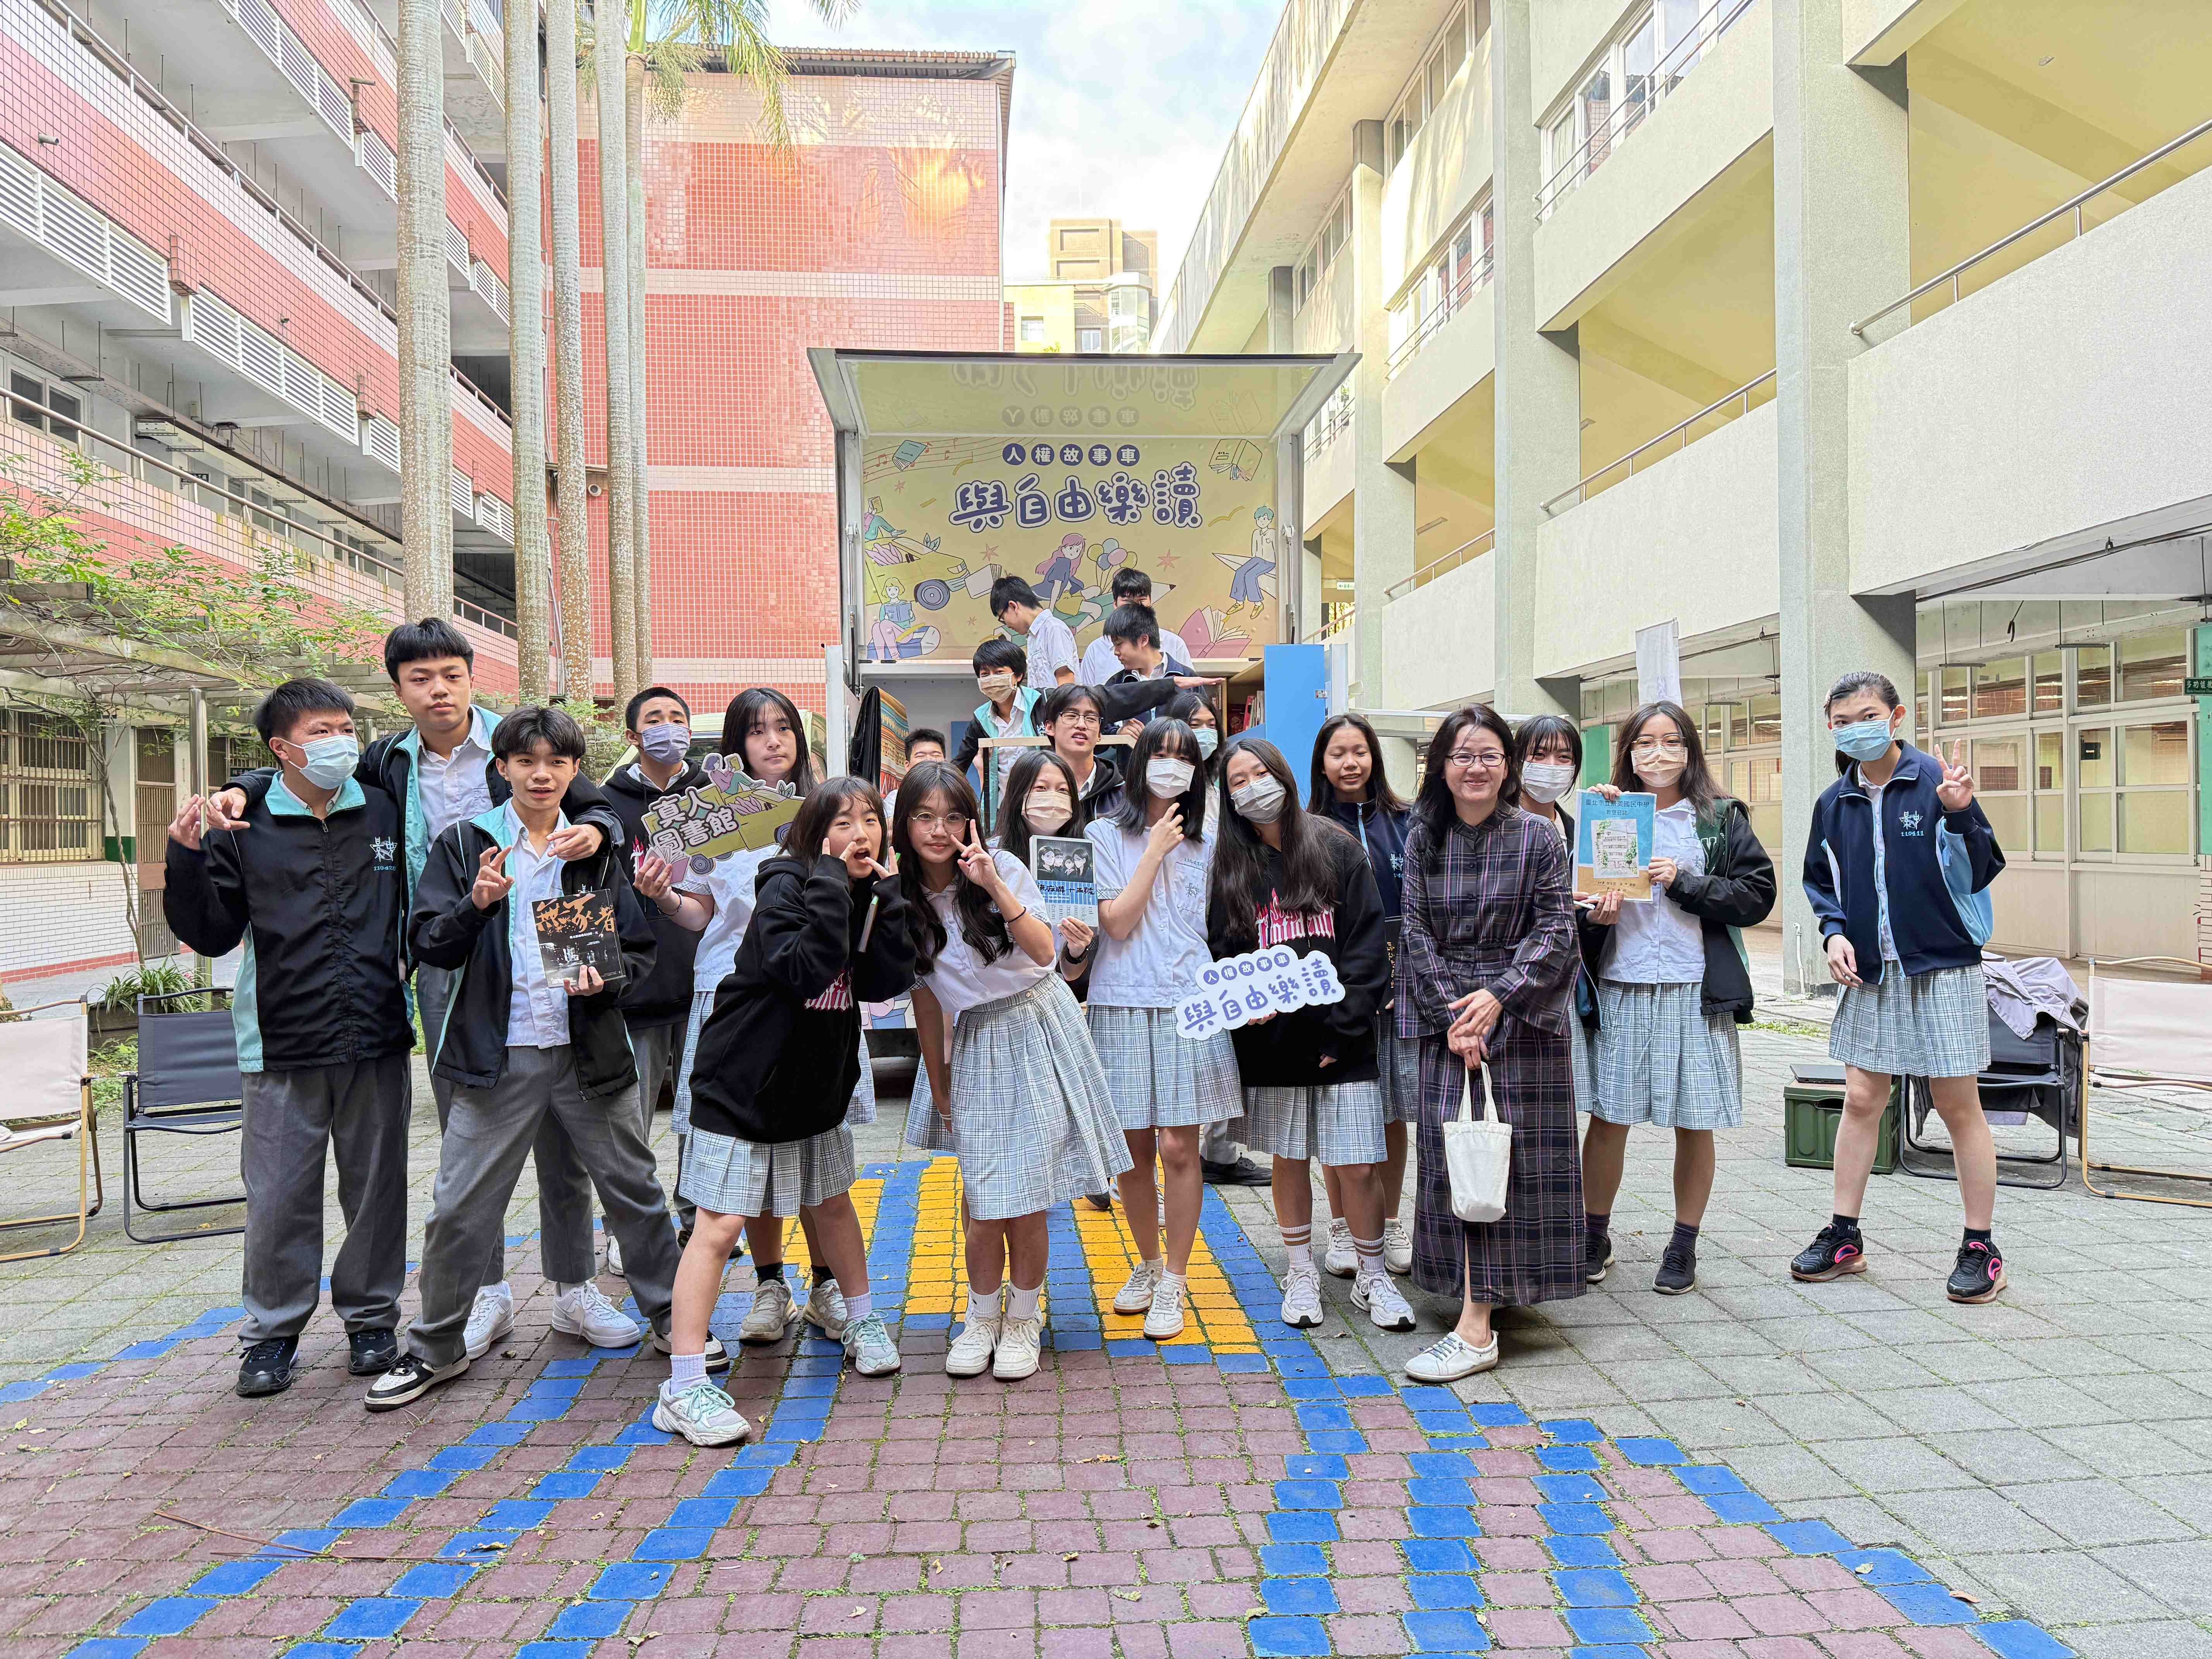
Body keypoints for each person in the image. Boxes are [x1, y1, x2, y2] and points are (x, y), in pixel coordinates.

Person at [210, 619, 623, 1361]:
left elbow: (594, 803)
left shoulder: (520, 738)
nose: (438, 690)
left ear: (471, 677)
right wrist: (242, 785)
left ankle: (574, 1285)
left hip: (552, 940)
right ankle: (486, 1289)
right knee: (471, 1134)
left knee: (565, 1130)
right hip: (447, 956)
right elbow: (302, 779)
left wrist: (596, 828)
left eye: (450, 674)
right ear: (398, 690)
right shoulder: (385, 760)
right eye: (420, 678)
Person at [365, 707, 707, 1412]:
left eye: (556, 762)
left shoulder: (591, 849)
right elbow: (429, 941)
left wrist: (605, 982)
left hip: (588, 1053)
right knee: (458, 1206)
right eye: (526, 761)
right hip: (497, 1055)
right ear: (503, 769)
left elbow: (638, 950)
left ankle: (675, 1324)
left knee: (636, 1192)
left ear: (575, 771)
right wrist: (476, 906)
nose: (541, 774)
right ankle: (434, 1346)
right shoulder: (467, 844)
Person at [163, 680, 414, 1398]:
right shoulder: (244, 824)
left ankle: (372, 1320)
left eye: (346, 727)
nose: (340, 741)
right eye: (320, 731)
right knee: (278, 1198)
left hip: (376, 1030)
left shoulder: (384, 807)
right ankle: (272, 1334)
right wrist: (185, 856)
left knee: (377, 1191)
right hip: (280, 1039)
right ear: (282, 748)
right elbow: (212, 932)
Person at [677, 777, 918, 1390]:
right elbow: (805, 970)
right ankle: (684, 1381)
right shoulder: (783, 883)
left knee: (833, 1204)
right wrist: (832, 878)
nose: (860, 834)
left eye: (870, 821)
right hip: (744, 1083)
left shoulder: (864, 890)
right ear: (815, 833)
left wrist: (888, 897)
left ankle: (861, 1320)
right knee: (719, 1225)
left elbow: (883, 982)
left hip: (815, 1086)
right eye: (843, 823)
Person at [895, 763, 1128, 1381]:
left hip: (1038, 1022)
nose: (939, 830)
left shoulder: (1003, 866)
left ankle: (1023, 1318)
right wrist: (939, 1084)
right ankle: (981, 1317)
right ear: (905, 824)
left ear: (971, 819)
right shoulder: (900, 899)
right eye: (924, 817)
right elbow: (925, 999)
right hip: (977, 1039)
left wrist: (992, 883)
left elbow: (1047, 951)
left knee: (1027, 1194)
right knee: (983, 1195)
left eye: (952, 816)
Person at [1799, 671, 2007, 1304]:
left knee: (1956, 1103)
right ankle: (1844, 1235)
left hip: (1943, 963)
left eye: (1867, 715)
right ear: (1830, 727)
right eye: (1842, 721)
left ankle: (1980, 1246)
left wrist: (1960, 811)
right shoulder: (1835, 802)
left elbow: (1983, 867)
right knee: (1862, 1098)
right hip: (1871, 969)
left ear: (1895, 717)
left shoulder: (1935, 779)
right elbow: (1820, 882)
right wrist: (1834, 933)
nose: (1855, 728)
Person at [665, 689, 864, 1343]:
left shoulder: (825, 808)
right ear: (735, 744)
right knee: (747, 1150)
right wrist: (663, 897)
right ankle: (770, 1283)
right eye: (757, 731)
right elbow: (700, 912)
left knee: (816, 1151)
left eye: (783, 727)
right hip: (735, 998)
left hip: (815, 998)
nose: (773, 740)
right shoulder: (714, 820)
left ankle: (827, 1285)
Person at [1396, 706, 1580, 1382]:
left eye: (1489, 755)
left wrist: (1498, 997)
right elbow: (1414, 932)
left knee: (1514, 1161)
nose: (1475, 767)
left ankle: (1478, 1327)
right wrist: (1456, 1013)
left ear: (1508, 766)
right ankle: (1478, 1301)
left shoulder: (1537, 836)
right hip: (1448, 1019)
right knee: (1458, 1158)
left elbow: (1556, 928)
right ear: (1441, 766)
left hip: (1521, 1018)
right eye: (1462, 755)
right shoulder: (1423, 837)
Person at [1209, 738, 1412, 1334]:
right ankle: (1300, 1271)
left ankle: (1373, 1274)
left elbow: (1368, 949)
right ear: (1228, 797)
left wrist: (1340, 1032)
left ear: (1285, 775)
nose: (1253, 787)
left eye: (1261, 773)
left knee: (1359, 1163)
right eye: (1238, 781)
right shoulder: (1231, 865)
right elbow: (1225, 950)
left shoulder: (1336, 847)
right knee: (1290, 1158)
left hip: (1345, 1042)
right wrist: (1245, 1007)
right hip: (1273, 1046)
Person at [1575, 702, 1775, 1296]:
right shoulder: (1609, 812)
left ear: (1690, 750)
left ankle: (1683, 1244)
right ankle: (1593, 1235)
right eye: (1645, 742)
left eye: (1671, 742)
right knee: (1609, 1117)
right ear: (1628, 752)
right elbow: (1577, 901)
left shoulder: (1718, 818)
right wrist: (1595, 915)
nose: (1657, 754)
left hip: (1696, 989)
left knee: (1696, 1119)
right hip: (1623, 982)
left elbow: (1757, 896)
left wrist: (1684, 882)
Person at [1086, 717, 1243, 1340]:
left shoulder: (1213, 840)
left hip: (1188, 1002)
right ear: (1140, 762)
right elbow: (1117, 924)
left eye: (1185, 757)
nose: (1173, 766)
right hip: (1120, 1000)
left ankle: (1176, 1278)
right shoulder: (1103, 834)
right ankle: (1148, 1264)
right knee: (1132, 1152)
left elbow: (1228, 926)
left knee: (1180, 1147)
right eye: (1162, 754)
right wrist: (1153, 850)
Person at [601, 686, 708, 1275]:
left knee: (701, 1116)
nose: (669, 728)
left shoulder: (713, 798)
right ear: (633, 736)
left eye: (677, 718)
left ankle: (699, 1222)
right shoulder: (603, 805)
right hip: (633, 989)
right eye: (655, 720)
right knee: (628, 1124)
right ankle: (632, 1232)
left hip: (704, 984)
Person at [1309, 713, 1417, 1271]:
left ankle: (1391, 1222)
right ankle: (1341, 1226)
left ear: (1374, 757)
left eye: (1360, 752)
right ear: (1321, 763)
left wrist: (1405, 978)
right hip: (1338, 995)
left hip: (1400, 995)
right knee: (1339, 1112)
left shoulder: (1407, 822)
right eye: (1338, 754)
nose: (1350, 763)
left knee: (1392, 1113)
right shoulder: (1307, 828)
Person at [1508, 714, 1602, 1232]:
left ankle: (1556, 1231)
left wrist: (1598, 915)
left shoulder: (1583, 829)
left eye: (1564, 758)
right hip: (1506, 989)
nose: (1552, 767)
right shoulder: (1496, 825)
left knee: (1557, 1117)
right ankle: (1503, 1226)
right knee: (1506, 1114)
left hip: (1565, 995)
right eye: (1539, 755)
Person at [951, 638, 1043, 807]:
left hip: (1043, 805)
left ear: (1018, 676)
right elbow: (959, 765)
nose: (992, 679)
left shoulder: (1043, 704)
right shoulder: (981, 720)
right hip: (1003, 809)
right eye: (985, 675)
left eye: (999, 672)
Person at [1080, 567, 1194, 684]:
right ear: (1115, 604)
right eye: (1127, 602)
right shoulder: (1096, 650)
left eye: (1141, 601)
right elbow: (1087, 693)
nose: (1134, 608)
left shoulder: (1175, 644)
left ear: (1151, 602)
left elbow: (1189, 686)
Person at [1040, 685, 1125, 820]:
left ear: (1100, 734)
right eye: (1071, 716)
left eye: (1091, 718)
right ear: (1050, 727)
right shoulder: (1033, 785)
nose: (1081, 725)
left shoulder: (1121, 793)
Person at [990, 576, 1080, 690]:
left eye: (1003, 618)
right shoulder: (1033, 636)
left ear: (1013, 606)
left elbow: (1066, 681)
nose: (1007, 625)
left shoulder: (1053, 629)